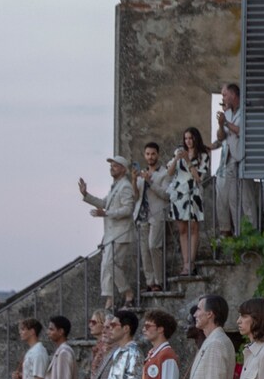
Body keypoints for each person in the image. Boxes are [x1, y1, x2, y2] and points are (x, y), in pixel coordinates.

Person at [80, 156, 141, 310]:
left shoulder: (125, 186)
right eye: (111, 165)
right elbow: (103, 203)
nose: (111, 167)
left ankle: (127, 293)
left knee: (110, 265)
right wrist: (86, 195)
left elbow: (128, 210)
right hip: (111, 234)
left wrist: (106, 214)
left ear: (123, 169)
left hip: (121, 233)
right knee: (106, 265)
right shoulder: (116, 186)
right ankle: (109, 298)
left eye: (115, 166)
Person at [211, 82, 259, 240]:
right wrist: (220, 124)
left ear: (233, 95)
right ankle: (238, 233)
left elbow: (241, 131)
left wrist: (225, 122)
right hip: (229, 160)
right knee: (233, 199)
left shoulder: (245, 111)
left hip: (244, 158)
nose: (223, 98)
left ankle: (252, 232)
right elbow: (221, 136)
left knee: (247, 198)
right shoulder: (229, 113)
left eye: (224, 95)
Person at [168, 127, 212, 278]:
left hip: (193, 193)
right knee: (182, 230)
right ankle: (185, 263)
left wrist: (188, 160)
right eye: (186, 138)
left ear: (196, 139)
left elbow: (199, 177)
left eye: (191, 138)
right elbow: (170, 172)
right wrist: (176, 159)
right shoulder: (178, 153)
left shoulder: (203, 155)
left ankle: (191, 263)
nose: (188, 141)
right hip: (179, 194)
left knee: (193, 228)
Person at [138, 142, 174, 292]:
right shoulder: (142, 174)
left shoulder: (164, 173)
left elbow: (167, 195)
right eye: (147, 154)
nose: (150, 157)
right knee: (144, 250)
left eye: (153, 154)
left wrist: (150, 182)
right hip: (142, 215)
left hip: (158, 214)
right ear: (144, 155)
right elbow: (136, 196)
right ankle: (150, 281)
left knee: (154, 246)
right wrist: (135, 181)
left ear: (157, 155)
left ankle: (159, 281)